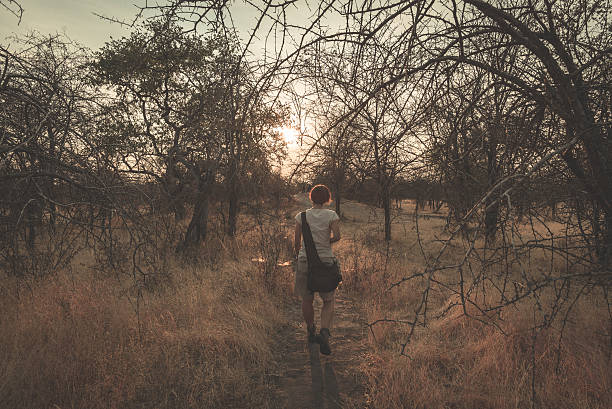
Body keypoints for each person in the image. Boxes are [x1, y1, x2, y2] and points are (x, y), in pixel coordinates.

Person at [293, 184, 341, 355]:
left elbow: (297, 243)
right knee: (328, 300)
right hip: (326, 262)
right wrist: (326, 242)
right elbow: (337, 236)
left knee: (307, 299)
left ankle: (311, 330)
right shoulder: (332, 215)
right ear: (328, 198)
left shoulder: (301, 216)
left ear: (311, 198)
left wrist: (298, 256)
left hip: (306, 261)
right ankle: (325, 332)